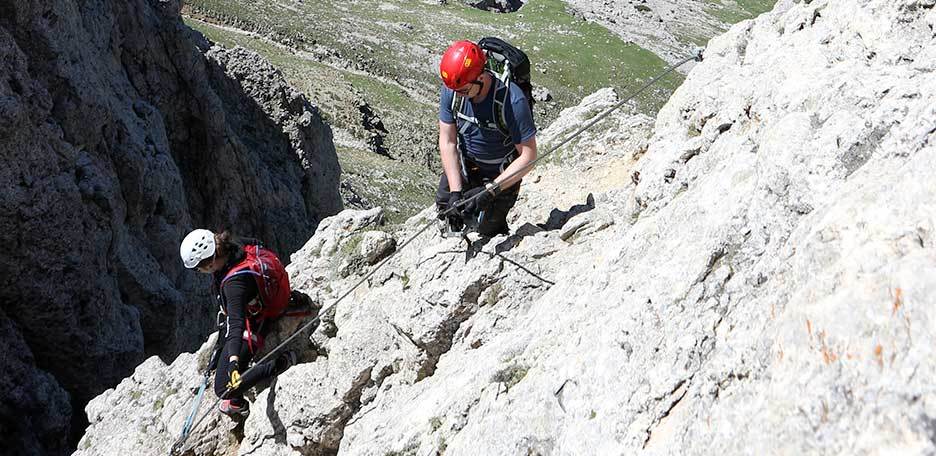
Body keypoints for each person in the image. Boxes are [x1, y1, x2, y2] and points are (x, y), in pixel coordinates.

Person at [180, 229, 297, 419]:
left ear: (209, 263)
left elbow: (236, 326)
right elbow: (257, 241)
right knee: (221, 359)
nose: (199, 272)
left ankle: (280, 363)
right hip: (257, 302)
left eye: (197, 268)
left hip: (259, 319)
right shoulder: (232, 245)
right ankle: (237, 398)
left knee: (223, 388)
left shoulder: (234, 285)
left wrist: (234, 362)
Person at [436, 40, 538, 237]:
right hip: (468, 165)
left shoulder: (512, 100)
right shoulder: (453, 90)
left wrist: (491, 190)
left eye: (465, 90)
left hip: (502, 173)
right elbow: (448, 141)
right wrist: (456, 192)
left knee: (487, 229)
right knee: (446, 203)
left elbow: (529, 155)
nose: (460, 95)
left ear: (481, 77)